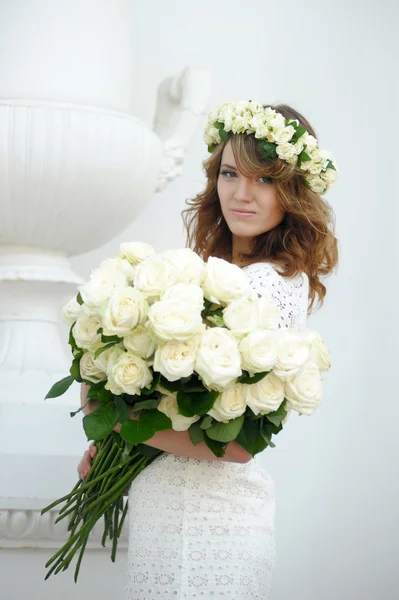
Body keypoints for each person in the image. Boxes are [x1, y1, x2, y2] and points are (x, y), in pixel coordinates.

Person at [78, 100, 338, 599]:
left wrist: (114, 420)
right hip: (165, 514)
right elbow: (175, 414)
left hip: (212, 524)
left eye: (264, 179)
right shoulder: (208, 274)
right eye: (230, 173)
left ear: (294, 192)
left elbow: (238, 447)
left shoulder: (270, 284)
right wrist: (118, 445)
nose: (242, 194)